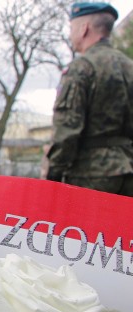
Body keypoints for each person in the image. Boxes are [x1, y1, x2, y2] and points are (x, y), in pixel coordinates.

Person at [46, 3, 133, 195]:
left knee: (88, 226)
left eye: (71, 28)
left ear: (84, 28)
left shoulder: (81, 68)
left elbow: (67, 130)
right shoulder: (129, 66)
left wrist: (53, 175)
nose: (70, 35)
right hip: (129, 170)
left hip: (90, 175)